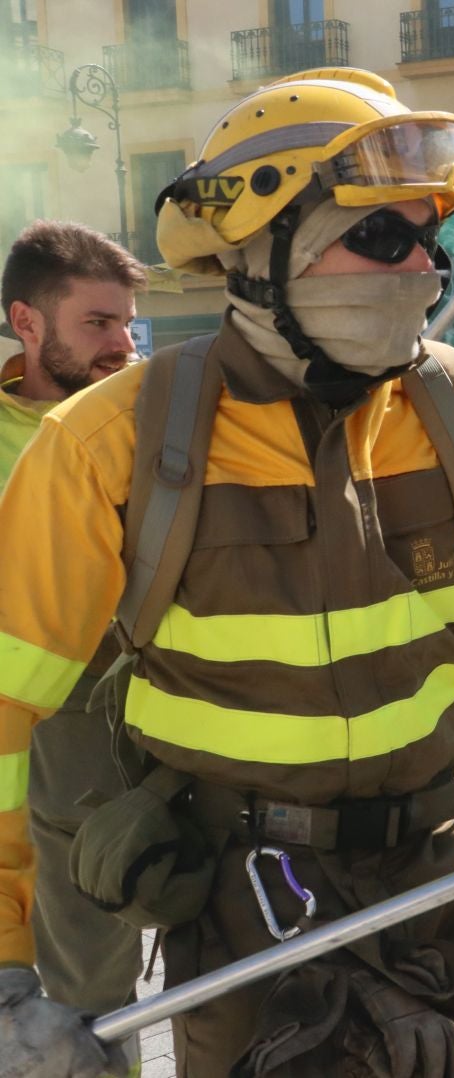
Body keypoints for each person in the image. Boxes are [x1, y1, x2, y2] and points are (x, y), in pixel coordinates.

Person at [0, 69, 454, 1077]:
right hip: (240, 888)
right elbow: (6, 715)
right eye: (383, 236)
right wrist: (7, 972)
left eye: (430, 240)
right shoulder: (107, 444)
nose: (423, 266)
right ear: (259, 249)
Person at [0, 222, 147, 1059]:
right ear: (27, 322)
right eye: (98, 323)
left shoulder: (158, 415)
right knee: (90, 1003)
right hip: (52, 763)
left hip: (185, 730)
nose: (122, 344)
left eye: (127, 323)